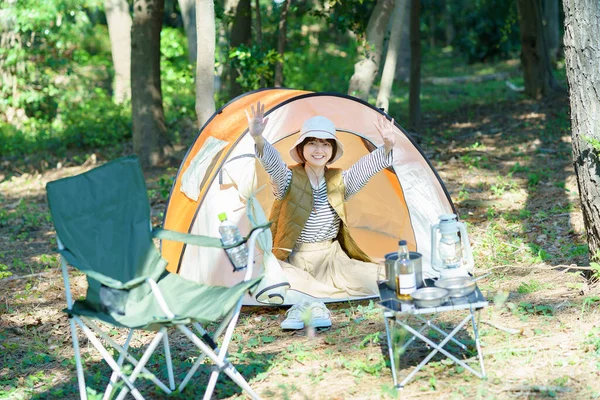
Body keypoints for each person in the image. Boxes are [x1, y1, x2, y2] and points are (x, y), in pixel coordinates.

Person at [246, 101, 396, 330]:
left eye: (326, 144)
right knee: (275, 284)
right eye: (313, 143)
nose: (319, 150)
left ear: (333, 151)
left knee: (383, 280)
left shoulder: (339, 180)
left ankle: (309, 300)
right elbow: (274, 165)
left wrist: (386, 146)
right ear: (302, 149)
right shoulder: (287, 179)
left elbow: (365, 168)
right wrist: (258, 139)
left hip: (331, 259)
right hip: (295, 260)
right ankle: (309, 303)